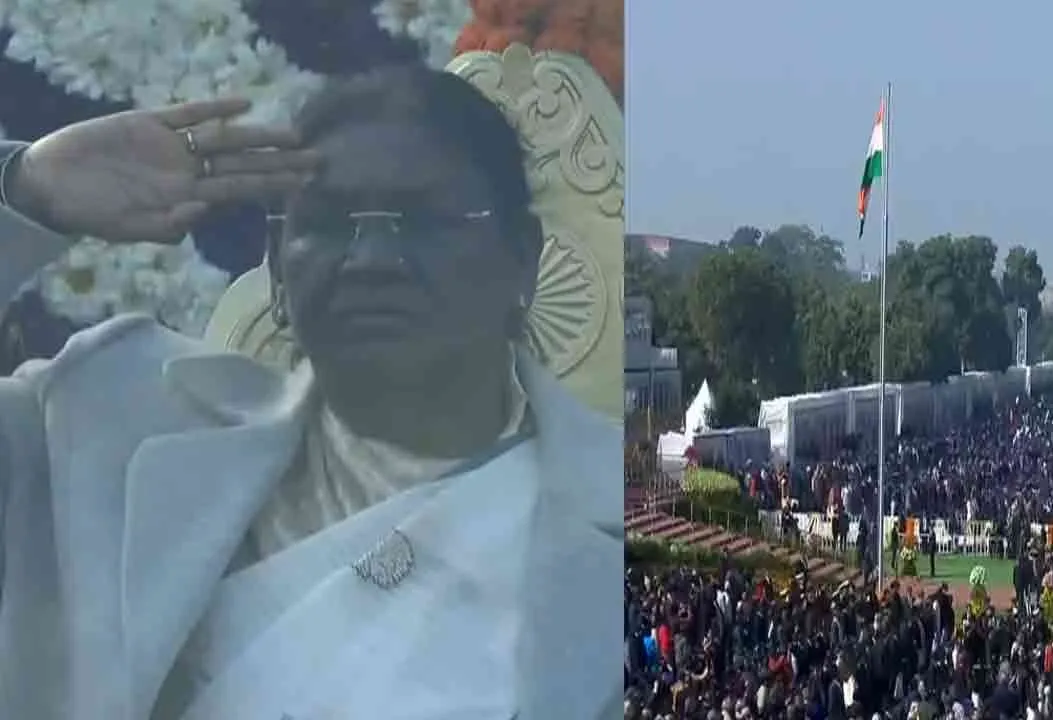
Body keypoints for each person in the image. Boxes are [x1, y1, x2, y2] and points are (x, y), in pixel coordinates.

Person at [0, 65, 621, 720]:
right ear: (277, 264)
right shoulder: (108, 415)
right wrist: (23, 191)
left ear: (521, 257)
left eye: (424, 220)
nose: (372, 258)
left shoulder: (610, 532)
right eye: (328, 222)